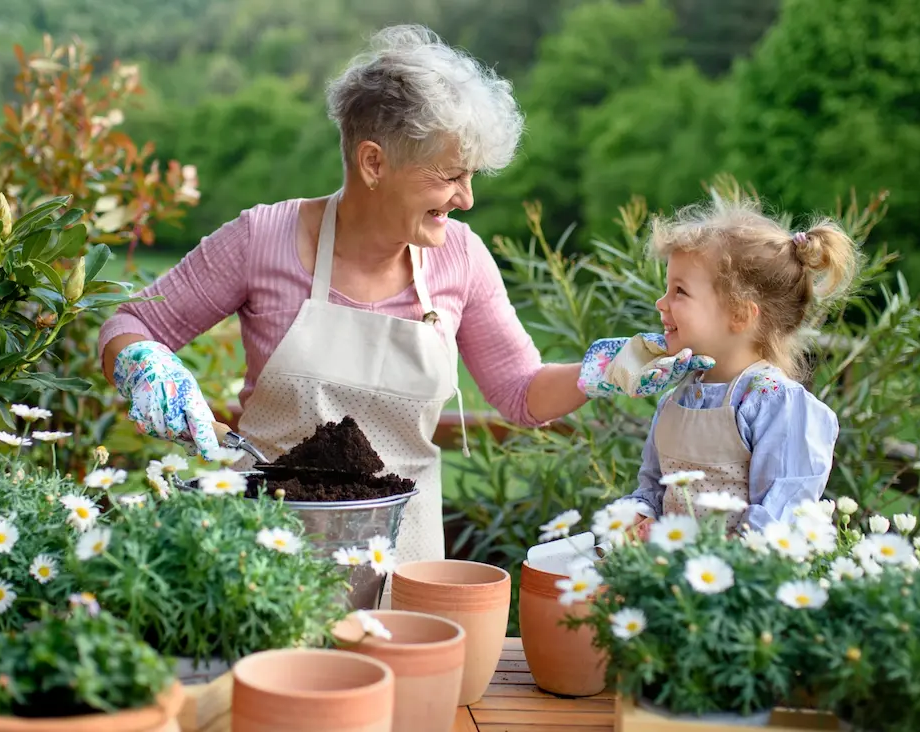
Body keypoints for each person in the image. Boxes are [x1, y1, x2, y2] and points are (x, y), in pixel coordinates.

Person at [98, 25, 700, 575]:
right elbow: (130, 322)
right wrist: (141, 362)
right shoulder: (263, 239)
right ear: (373, 163)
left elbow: (520, 394)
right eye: (447, 176)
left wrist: (605, 369)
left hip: (404, 561)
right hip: (264, 554)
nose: (465, 198)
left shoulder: (460, 258)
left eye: (470, 177)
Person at [603, 198, 858, 537]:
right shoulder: (678, 399)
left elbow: (777, 525)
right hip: (675, 580)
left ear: (739, 314)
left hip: (734, 581)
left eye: (680, 291)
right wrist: (639, 517)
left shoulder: (775, 405)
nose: (661, 303)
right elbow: (654, 490)